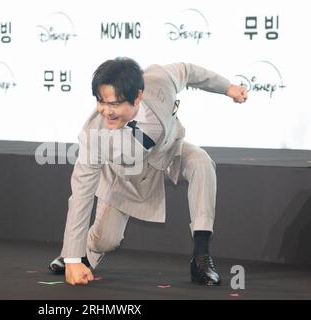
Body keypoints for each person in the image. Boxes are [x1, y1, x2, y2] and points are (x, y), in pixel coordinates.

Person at [48, 57, 248, 286]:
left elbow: (189, 71)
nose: (106, 111)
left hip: (168, 152)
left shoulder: (161, 80)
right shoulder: (95, 136)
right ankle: (83, 254)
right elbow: (81, 194)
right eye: (101, 102)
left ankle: (201, 259)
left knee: (201, 162)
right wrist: (73, 258)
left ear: (138, 96)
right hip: (126, 177)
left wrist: (228, 88)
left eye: (114, 104)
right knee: (107, 241)